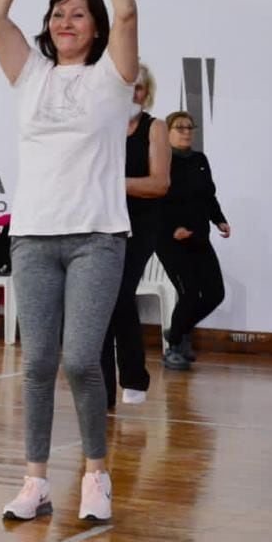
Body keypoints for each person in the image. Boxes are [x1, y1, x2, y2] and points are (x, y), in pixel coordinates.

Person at [0, 0, 138, 524]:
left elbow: (128, 12)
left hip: (98, 235)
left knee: (80, 359)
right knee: (38, 361)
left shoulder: (112, 77)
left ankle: (96, 473)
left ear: (95, 28)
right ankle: (36, 480)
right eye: (57, 13)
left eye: (77, 14)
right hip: (34, 236)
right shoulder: (32, 74)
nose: (64, 21)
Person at [101, 63, 170, 408]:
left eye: (139, 89)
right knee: (100, 299)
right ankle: (101, 391)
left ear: (147, 93)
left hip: (141, 224)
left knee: (121, 291)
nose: (133, 94)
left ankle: (133, 376)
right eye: (128, 87)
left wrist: (114, 185)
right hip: (102, 221)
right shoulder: (102, 126)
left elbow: (159, 184)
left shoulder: (154, 128)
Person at [156, 110, 230, 371]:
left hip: (199, 237)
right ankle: (174, 347)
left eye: (190, 127)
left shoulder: (200, 160)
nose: (186, 132)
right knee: (188, 294)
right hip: (170, 240)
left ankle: (177, 332)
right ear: (167, 132)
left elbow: (209, 195)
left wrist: (219, 219)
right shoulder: (160, 160)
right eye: (180, 127)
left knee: (215, 293)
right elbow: (156, 201)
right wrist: (173, 228)